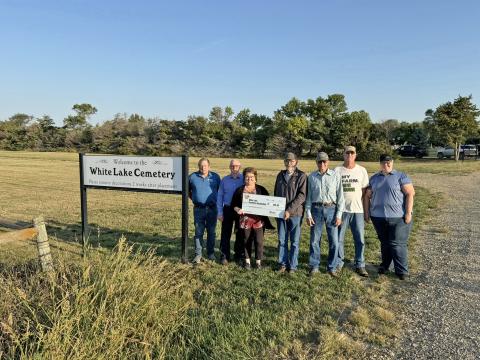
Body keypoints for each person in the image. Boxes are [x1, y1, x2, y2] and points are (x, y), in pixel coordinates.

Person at [363, 154, 415, 280]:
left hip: (399, 217)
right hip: (378, 217)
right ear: (380, 164)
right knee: (385, 243)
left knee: (397, 244)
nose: (386, 164)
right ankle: (385, 265)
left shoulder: (401, 176)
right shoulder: (374, 178)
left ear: (392, 162)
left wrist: (408, 213)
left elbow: (410, 193)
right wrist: (366, 213)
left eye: (389, 162)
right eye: (384, 162)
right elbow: (367, 196)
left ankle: (402, 270)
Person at [305, 152, 345, 277]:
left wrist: (339, 215)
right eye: (319, 162)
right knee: (314, 240)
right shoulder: (311, 177)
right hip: (316, 209)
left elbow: (341, 197)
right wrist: (308, 214)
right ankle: (314, 266)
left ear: (328, 162)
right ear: (316, 163)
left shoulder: (335, 175)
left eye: (324, 162)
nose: (322, 164)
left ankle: (331, 267)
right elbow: (309, 198)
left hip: (331, 209)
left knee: (334, 241)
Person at [335, 146, 370, 277]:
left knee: (359, 239)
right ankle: (339, 262)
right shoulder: (337, 170)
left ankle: (360, 264)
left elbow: (365, 191)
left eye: (352, 153)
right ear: (343, 155)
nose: (349, 155)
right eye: (347, 153)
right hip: (341, 210)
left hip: (357, 211)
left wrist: (366, 211)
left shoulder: (362, 170)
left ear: (355, 155)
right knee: (339, 239)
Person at [231, 167, 274, 270]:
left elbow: (269, 202)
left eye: (251, 177)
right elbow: (234, 204)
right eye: (247, 177)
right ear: (244, 178)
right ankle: (247, 262)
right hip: (245, 221)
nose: (249, 179)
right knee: (246, 241)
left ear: (255, 178)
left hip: (258, 221)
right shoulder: (240, 190)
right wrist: (238, 210)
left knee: (259, 241)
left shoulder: (261, 189)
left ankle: (258, 262)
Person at [274, 152, 307, 273]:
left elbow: (302, 196)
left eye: (292, 161)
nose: (289, 163)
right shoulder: (280, 175)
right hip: (281, 214)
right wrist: (275, 209)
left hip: (295, 214)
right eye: (287, 161)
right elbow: (276, 193)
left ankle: (292, 266)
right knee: (282, 240)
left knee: (294, 241)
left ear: (296, 162)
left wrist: (289, 210)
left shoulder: (301, 176)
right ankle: (282, 264)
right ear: (284, 162)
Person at [189, 158, 221, 264]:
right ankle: (198, 254)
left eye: (205, 166)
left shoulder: (215, 177)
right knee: (198, 232)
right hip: (199, 209)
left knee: (211, 232)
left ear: (209, 166)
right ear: (198, 166)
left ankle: (210, 253)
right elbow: (188, 191)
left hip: (212, 209)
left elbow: (220, 192)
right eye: (201, 165)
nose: (203, 168)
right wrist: (195, 199)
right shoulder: (192, 177)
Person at [216, 159, 244, 265]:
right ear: (229, 167)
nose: (234, 168)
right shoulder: (224, 180)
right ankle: (224, 256)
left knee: (240, 233)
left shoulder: (244, 179)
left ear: (239, 167)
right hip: (227, 209)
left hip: (240, 210)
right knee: (225, 234)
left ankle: (238, 256)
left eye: (236, 166)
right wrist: (219, 212)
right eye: (232, 166)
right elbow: (220, 196)